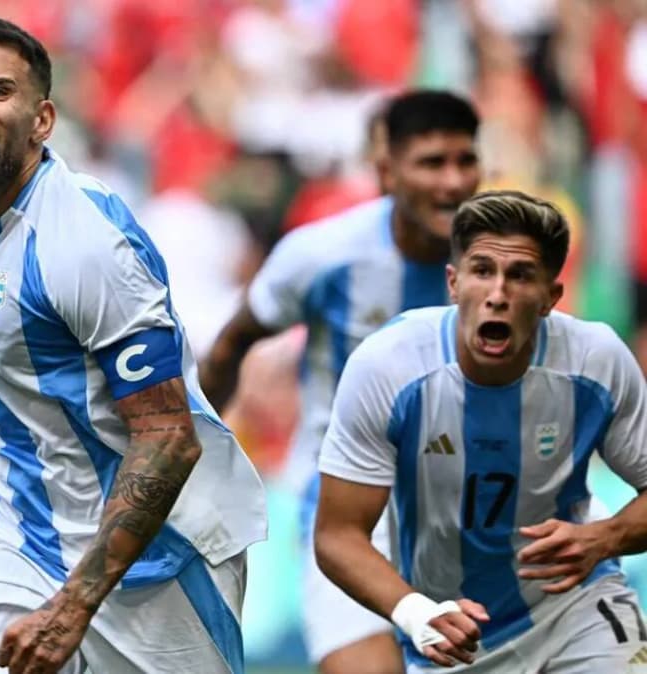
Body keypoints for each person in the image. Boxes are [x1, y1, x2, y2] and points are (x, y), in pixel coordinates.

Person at [0, 16, 266, 674]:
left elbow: (168, 436)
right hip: (22, 547)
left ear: (42, 120)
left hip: (159, 565)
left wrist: (75, 606)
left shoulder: (87, 243)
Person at [199, 90, 481, 674]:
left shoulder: (500, 261)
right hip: (348, 518)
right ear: (386, 171)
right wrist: (190, 454)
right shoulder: (324, 255)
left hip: (469, 517)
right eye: (432, 163)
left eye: (465, 160)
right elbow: (232, 343)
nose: (452, 182)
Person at [315, 190, 647, 672]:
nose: (497, 294)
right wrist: (415, 612)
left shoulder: (596, 361)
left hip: (574, 611)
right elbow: (337, 535)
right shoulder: (389, 366)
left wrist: (606, 537)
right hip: (455, 633)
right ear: (453, 283)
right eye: (482, 271)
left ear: (551, 298)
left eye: (521, 275)